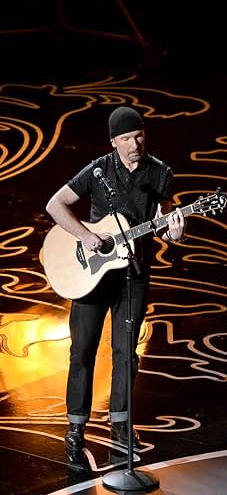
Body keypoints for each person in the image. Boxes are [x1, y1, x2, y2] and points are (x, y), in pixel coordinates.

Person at [46, 106, 186, 463]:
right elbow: (56, 204)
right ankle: (76, 425)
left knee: (127, 352)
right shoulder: (97, 170)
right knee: (83, 350)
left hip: (133, 274)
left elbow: (164, 222)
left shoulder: (160, 173)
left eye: (138, 135)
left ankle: (121, 424)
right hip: (92, 276)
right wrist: (85, 235)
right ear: (114, 142)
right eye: (126, 138)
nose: (134, 144)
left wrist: (176, 232)